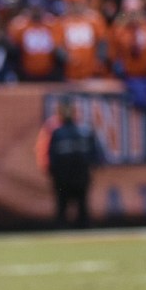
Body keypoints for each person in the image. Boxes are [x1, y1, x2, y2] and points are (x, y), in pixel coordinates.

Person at [46, 98, 103, 228]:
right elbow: (97, 157)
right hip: (77, 177)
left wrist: (53, 172)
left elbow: (51, 158)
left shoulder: (60, 133)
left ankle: (67, 234)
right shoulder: (82, 131)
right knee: (75, 209)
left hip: (67, 177)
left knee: (68, 210)